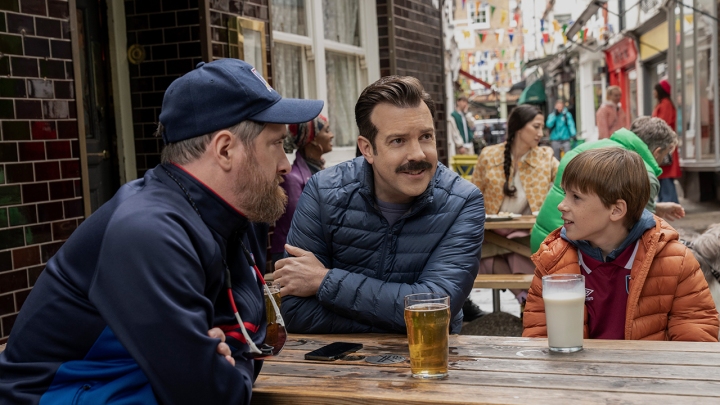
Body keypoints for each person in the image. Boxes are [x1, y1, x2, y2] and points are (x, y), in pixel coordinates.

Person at [0, 59, 323, 404]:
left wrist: (231, 350)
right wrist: (230, 352)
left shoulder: (224, 219)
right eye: (276, 144)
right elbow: (214, 395)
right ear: (225, 149)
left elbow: (247, 347)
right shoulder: (148, 232)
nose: (285, 165)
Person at [273, 76, 485, 334]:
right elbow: (294, 312)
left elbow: (436, 309)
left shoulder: (462, 201)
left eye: (426, 136)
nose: (418, 154)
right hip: (335, 368)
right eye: (398, 141)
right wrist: (399, 320)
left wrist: (324, 281)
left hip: (426, 365)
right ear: (367, 149)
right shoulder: (323, 192)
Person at [524, 148, 718, 341]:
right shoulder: (553, 260)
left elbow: (695, 340)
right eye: (565, 194)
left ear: (616, 210)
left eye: (576, 197)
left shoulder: (676, 261)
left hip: (648, 371)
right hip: (577, 371)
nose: (562, 205)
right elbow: (539, 337)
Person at [531, 117, 686, 253]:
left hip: (544, 239)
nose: (561, 205)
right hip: (574, 249)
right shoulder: (644, 174)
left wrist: (656, 207)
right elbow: (642, 234)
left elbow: (601, 202)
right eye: (665, 156)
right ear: (657, 152)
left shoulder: (591, 147)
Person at [472, 104, 558, 305]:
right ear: (519, 127)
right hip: (491, 232)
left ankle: (526, 300)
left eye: (541, 127)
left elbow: (568, 180)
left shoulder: (545, 156)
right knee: (482, 251)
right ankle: (528, 300)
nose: (540, 133)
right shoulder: (489, 155)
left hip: (527, 233)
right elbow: (472, 195)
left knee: (508, 249)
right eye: (536, 127)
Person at [270, 114, 334, 266]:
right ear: (312, 140)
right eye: (326, 130)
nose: (331, 135)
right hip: (291, 255)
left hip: (311, 253)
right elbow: (300, 223)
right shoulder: (292, 178)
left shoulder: (321, 172)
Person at [652, 79, 681, 203]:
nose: (653, 93)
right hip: (663, 143)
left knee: (666, 175)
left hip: (664, 144)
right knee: (664, 176)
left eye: (655, 90)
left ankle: (668, 201)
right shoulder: (664, 103)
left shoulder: (665, 104)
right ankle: (667, 200)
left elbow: (663, 123)